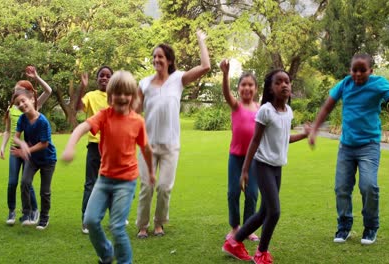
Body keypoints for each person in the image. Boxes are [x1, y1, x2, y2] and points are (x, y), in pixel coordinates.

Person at [62, 71, 155, 264]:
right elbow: (81, 128)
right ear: (110, 95)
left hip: (126, 182)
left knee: (117, 227)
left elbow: (146, 148)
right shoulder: (104, 116)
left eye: (126, 93)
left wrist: (152, 173)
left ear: (133, 97)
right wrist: (70, 146)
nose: (122, 97)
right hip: (104, 179)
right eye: (117, 93)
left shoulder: (137, 121)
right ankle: (106, 254)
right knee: (90, 220)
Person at [222, 70, 310, 263]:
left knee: (263, 212)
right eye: (278, 82)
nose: (284, 85)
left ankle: (233, 243)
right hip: (262, 166)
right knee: (274, 211)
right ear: (271, 88)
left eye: (287, 81)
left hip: (277, 167)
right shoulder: (265, 110)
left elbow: (284, 139)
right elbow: (254, 141)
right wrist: (245, 170)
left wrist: (304, 135)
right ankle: (261, 252)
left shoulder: (288, 112)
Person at [309, 53, 389, 245]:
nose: (357, 74)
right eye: (354, 70)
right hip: (347, 147)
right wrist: (315, 129)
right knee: (341, 188)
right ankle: (344, 226)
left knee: (368, 186)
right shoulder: (345, 84)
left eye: (362, 70)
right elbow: (327, 107)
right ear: (350, 70)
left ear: (370, 71)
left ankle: (371, 226)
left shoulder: (378, 83)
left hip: (369, 146)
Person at [136, 30, 211, 238]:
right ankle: (142, 225)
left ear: (169, 60)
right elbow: (134, 113)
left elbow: (205, 67)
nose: (156, 59)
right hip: (147, 145)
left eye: (160, 56)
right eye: (154, 57)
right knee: (146, 187)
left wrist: (200, 40)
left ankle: (159, 223)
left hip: (170, 145)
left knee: (164, 187)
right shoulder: (144, 83)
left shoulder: (178, 79)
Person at [0, 65, 52, 225]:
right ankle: (13, 211)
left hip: (30, 151)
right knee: (13, 182)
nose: (18, 94)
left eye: (21, 91)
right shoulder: (13, 109)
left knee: (26, 182)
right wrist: (3, 146)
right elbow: (9, 131)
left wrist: (36, 78)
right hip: (16, 149)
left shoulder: (33, 104)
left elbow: (48, 91)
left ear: (29, 95)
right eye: (16, 90)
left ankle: (33, 212)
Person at [219, 59, 260, 241]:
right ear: (239, 88)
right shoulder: (236, 106)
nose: (247, 88)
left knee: (251, 194)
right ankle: (235, 227)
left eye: (250, 85)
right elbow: (226, 94)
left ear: (256, 89)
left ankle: (248, 228)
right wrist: (225, 74)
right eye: (243, 84)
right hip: (235, 157)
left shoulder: (260, 109)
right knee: (233, 193)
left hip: (254, 159)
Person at [11, 86, 57, 230]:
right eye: (18, 104)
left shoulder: (43, 121)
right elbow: (15, 137)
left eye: (23, 101)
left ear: (31, 99)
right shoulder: (22, 120)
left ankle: (44, 217)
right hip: (32, 159)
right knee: (24, 182)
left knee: (45, 191)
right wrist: (21, 143)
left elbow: (44, 144)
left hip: (48, 160)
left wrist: (26, 150)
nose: (21, 105)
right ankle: (27, 213)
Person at [79, 66, 114, 234]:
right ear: (97, 78)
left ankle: (115, 217)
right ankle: (86, 220)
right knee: (91, 183)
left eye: (108, 76)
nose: (104, 78)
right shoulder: (90, 96)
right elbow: (79, 107)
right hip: (94, 145)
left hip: (113, 146)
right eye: (101, 75)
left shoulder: (116, 96)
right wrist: (82, 87)